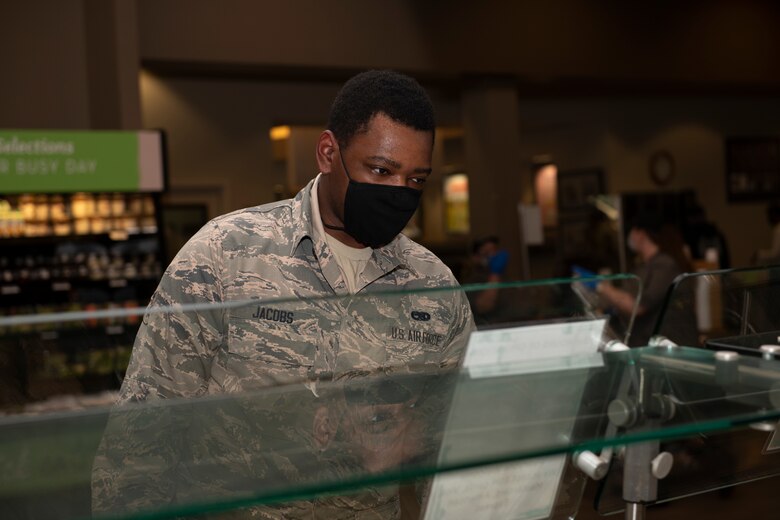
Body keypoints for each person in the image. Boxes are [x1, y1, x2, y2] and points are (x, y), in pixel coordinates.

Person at [92, 70, 475, 517]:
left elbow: (453, 451)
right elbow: (140, 439)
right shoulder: (224, 254)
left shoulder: (433, 286)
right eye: (381, 170)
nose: (397, 192)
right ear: (329, 152)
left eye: (415, 181)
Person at [596, 215, 697, 347]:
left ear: (641, 234)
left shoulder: (664, 266)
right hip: (648, 345)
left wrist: (603, 288)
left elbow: (637, 306)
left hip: (669, 347)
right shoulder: (644, 266)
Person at [754, 199, 780, 265]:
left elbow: (775, 254)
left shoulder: (778, 229)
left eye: (770, 215)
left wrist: (759, 254)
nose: (768, 219)